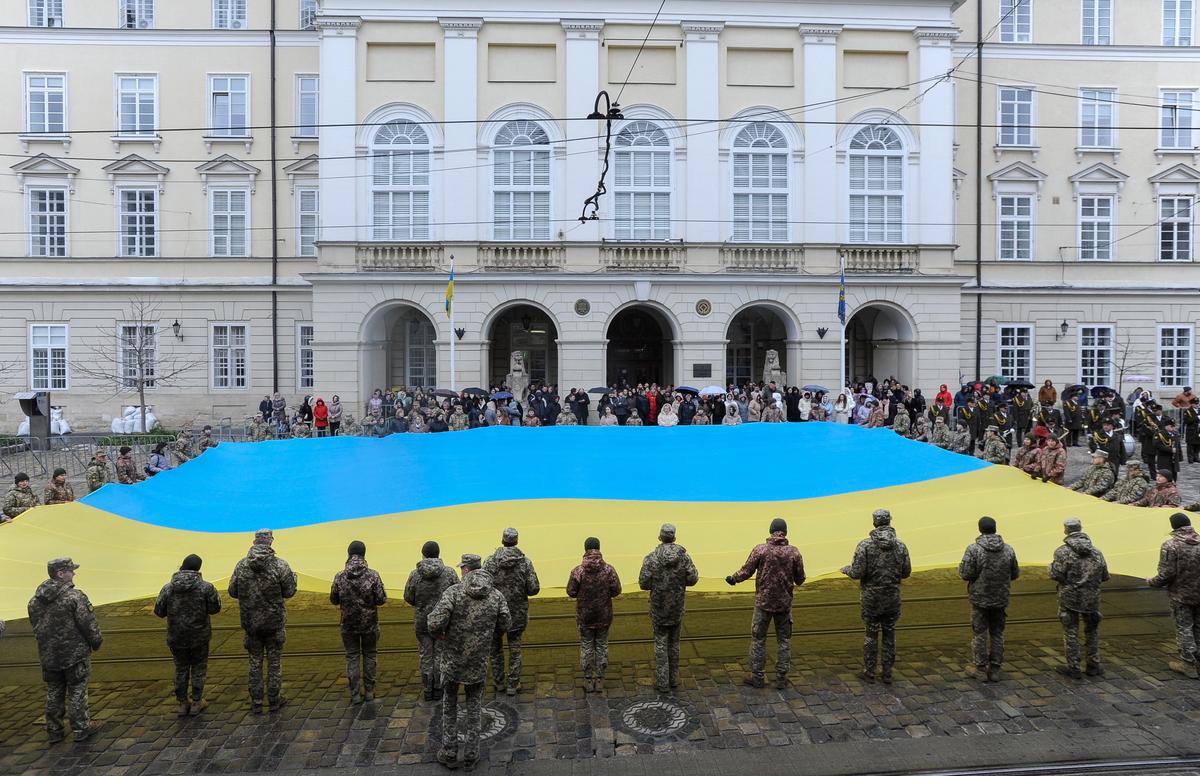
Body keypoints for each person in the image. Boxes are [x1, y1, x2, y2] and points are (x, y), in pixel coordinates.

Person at [428, 554, 511, 772]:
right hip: (478, 662)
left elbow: (434, 622)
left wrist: (441, 635)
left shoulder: (453, 593)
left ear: (466, 569)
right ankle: (472, 755)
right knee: (475, 707)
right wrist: (488, 635)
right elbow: (506, 623)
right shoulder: (496, 596)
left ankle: (449, 751)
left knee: (450, 705)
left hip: (452, 662)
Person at [28, 557, 103, 743]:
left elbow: (36, 627)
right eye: (70, 570)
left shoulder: (34, 601)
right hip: (74, 654)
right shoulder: (75, 597)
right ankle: (81, 728)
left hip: (49, 656)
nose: (73, 573)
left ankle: (54, 730)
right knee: (77, 689)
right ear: (61, 573)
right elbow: (88, 624)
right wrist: (96, 641)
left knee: (54, 690)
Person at [725, 517, 805, 689]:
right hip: (784, 604)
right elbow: (800, 579)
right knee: (784, 640)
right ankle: (781, 678)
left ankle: (757, 676)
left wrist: (733, 579)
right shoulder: (794, 552)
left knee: (758, 639)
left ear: (770, 531)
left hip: (763, 603)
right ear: (786, 532)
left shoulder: (760, 550)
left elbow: (746, 571)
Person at [227, 529, 298, 713]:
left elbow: (233, 591)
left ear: (254, 542)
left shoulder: (241, 565)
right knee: (274, 662)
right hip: (274, 623)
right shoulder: (280, 566)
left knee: (254, 662)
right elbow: (289, 592)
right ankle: (274, 700)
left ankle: (256, 702)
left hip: (251, 624)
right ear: (270, 543)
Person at [841, 509, 911, 684]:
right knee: (889, 633)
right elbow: (906, 572)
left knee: (871, 634)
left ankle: (870, 671)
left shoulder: (864, 546)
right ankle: (887, 672)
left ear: (874, 523)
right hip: (892, 597)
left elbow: (857, 572)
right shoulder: (901, 546)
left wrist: (846, 570)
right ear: (890, 521)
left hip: (871, 598)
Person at [153, 554, 221, 715]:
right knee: (199, 667)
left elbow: (159, 611)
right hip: (200, 635)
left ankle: (183, 703)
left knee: (180, 668)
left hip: (176, 636)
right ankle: (197, 701)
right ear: (198, 569)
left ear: (182, 566)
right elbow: (215, 608)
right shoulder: (206, 588)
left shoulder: (168, 588)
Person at [639, 523, 699, 693]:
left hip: (658, 607)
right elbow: (693, 578)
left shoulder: (651, 558)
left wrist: (658, 584)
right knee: (674, 643)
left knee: (660, 643)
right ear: (674, 538)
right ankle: (673, 679)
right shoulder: (684, 557)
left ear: (660, 537)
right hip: (677, 606)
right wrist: (679, 582)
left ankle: (662, 681)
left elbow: (643, 583)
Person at [958, 516, 1019, 682]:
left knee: (979, 633)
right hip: (1000, 598)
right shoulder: (1008, 550)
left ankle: (980, 667)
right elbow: (1015, 574)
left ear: (980, 529)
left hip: (980, 599)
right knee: (998, 633)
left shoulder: (974, 550)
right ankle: (995, 668)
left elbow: (965, 574)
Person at [1048, 518, 1109, 679]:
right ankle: (1093, 664)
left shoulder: (1062, 552)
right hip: (1092, 599)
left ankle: (1074, 667)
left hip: (1070, 598)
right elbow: (1104, 576)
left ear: (1066, 530)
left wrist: (1051, 567)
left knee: (1071, 632)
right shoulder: (1096, 552)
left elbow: (1056, 574)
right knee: (1092, 631)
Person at [484, 527, 540, 695]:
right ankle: (513, 684)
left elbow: (483, 586)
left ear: (502, 540)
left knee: (495, 648)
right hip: (517, 613)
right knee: (515, 647)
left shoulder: (491, 562)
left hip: (495, 613)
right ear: (516, 541)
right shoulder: (525, 562)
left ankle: (499, 681)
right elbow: (533, 588)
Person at [330, 540, 387, 704]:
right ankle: (369, 691)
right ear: (364, 554)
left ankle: (355, 694)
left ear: (348, 554)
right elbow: (381, 599)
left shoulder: (340, 576)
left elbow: (334, 599)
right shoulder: (373, 575)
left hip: (348, 624)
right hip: (369, 624)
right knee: (370, 655)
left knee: (352, 657)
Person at [403, 541, 460, 701]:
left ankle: (427, 689)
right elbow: (458, 595)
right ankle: (439, 688)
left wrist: (420, 605)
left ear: (423, 554)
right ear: (438, 554)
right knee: (440, 655)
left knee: (426, 655)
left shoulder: (415, 575)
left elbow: (408, 597)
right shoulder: (449, 573)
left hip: (422, 622)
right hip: (443, 622)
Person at [566, 537, 622, 692]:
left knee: (586, 646)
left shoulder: (578, 571)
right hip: (604, 615)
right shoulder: (608, 570)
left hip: (585, 617)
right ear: (599, 548)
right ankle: (600, 678)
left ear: (585, 550)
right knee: (602, 645)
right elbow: (617, 590)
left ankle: (588, 679)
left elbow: (571, 592)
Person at [1148, 513, 1200, 677]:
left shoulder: (1171, 546)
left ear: (1173, 526)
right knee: (1198, 628)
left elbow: (1167, 573)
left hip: (1181, 595)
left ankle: (1188, 663)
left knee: (1184, 628)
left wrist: (1152, 582)